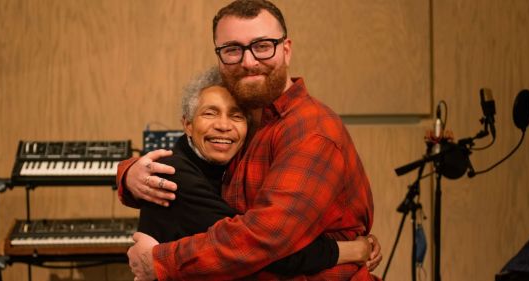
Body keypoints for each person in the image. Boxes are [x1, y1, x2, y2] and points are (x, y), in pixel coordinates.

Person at [121, 0, 381, 279]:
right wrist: (128, 174)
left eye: (262, 46)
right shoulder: (252, 121)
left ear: (286, 50)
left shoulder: (310, 131)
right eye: (233, 49)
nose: (248, 61)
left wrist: (160, 261)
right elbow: (191, 172)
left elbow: (263, 239)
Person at [136, 66, 376, 276]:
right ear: (187, 125)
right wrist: (350, 249)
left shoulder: (223, 167)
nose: (223, 125)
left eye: (236, 115)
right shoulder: (174, 174)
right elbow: (255, 250)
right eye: (210, 113)